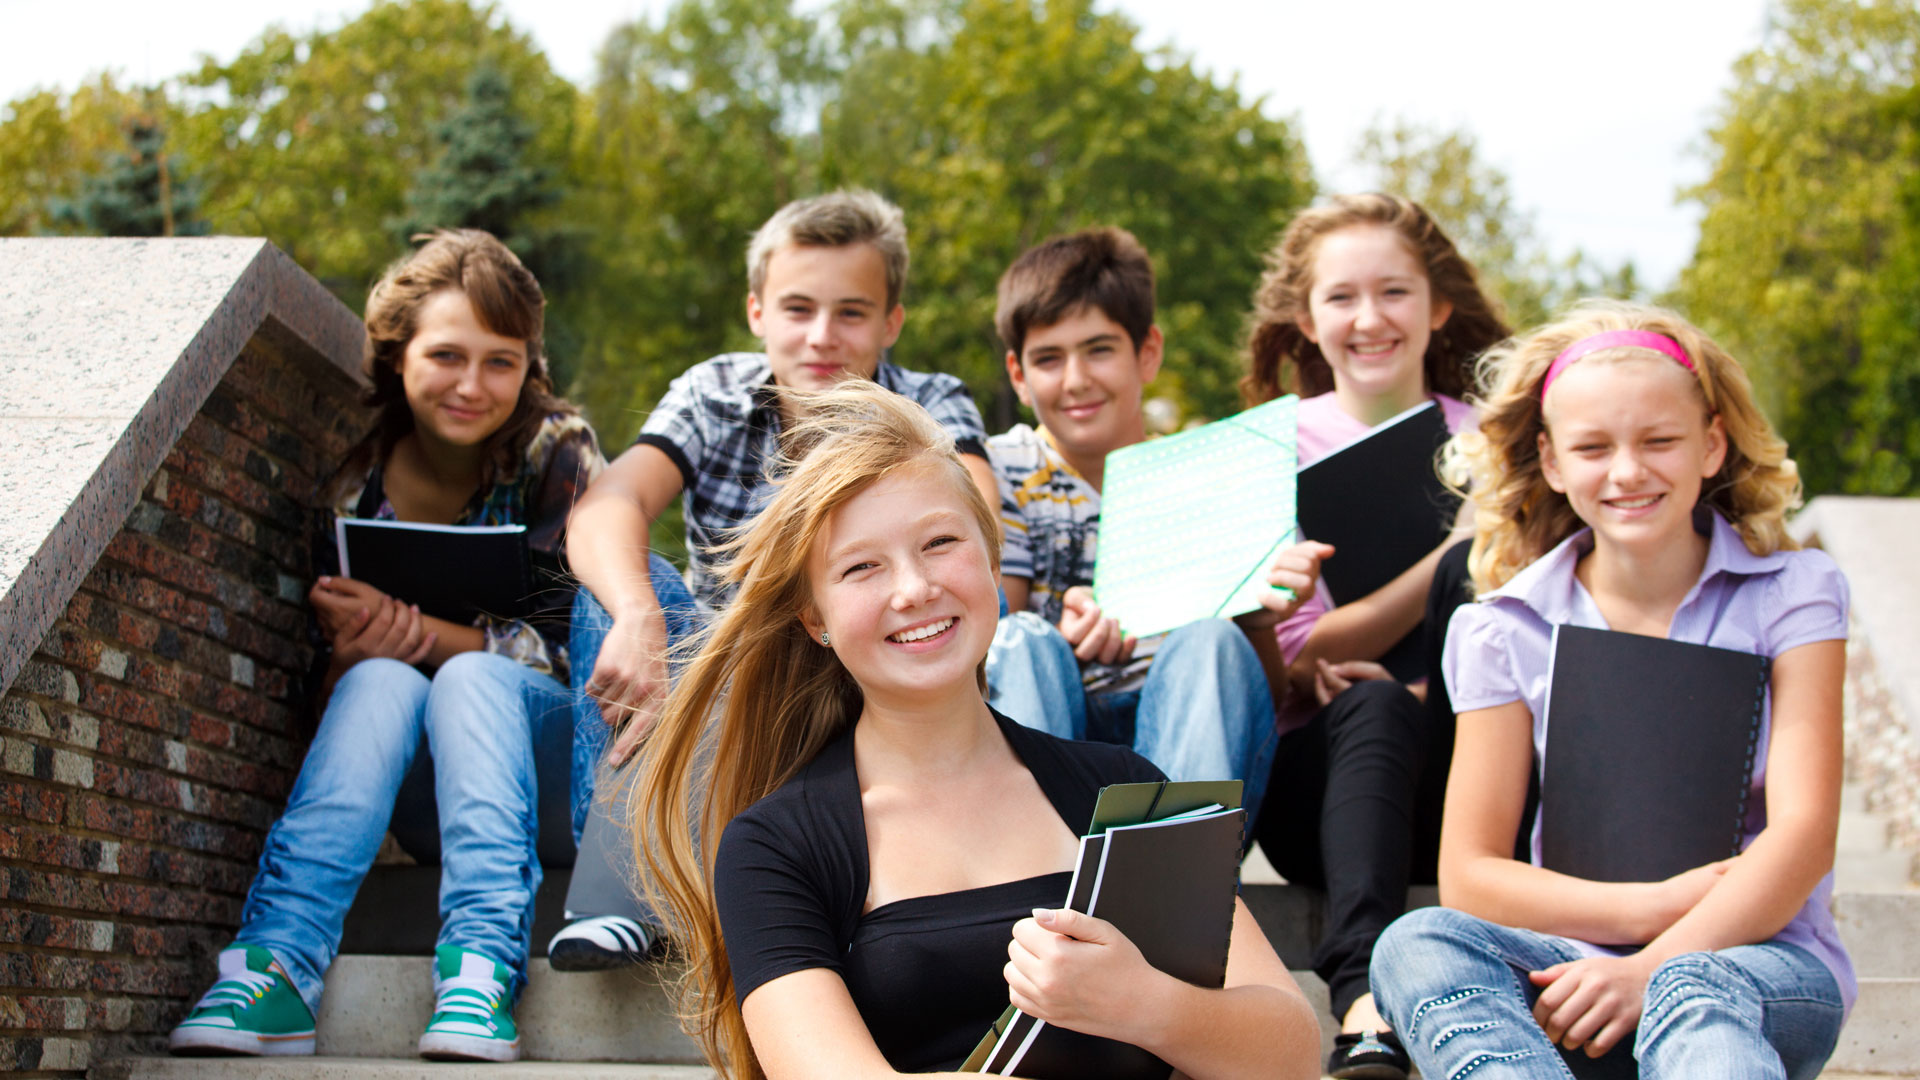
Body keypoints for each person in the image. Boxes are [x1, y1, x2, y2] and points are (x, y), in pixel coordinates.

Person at [631, 382, 1324, 1079]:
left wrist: (1144, 1005)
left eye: (939, 543)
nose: (914, 588)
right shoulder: (774, 846)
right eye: (862, 567)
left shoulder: (1126, 787)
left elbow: (1293, 1053)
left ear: (992, 565)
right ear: (816, 621)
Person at [1371, 302, 1852, 1079]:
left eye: (1659, 440)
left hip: (1762, 967)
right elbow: (1469, 872)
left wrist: (1653, 968)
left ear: (1711, 445)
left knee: (1694, 981)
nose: (1628, 471)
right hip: (1575, 975)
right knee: (1415, 943)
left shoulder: (1794, 593)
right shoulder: (1503, 627)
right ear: (1554, 463)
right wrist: (1645, 920)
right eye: (1593, 448)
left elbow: (1803, 836)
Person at [167, 230, 600, 1063]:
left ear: (529, 367)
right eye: (447, 355)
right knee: (378, 687)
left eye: (501, 361)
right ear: (399, 354)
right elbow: (325, 722)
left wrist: (430, 638)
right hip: (423, 794)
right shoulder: (353, 488)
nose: (474, 385)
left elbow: (592, 652)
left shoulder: (558, 451)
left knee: (469, 674)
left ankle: (481, 968)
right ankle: (278, 971)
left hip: (547, 768)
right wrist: (354, 654)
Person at [551, 189, 995, 969]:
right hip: (700, 682)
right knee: (631, 580)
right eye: (797, 308)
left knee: (773, 637)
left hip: (844, 668)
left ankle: (649, 892)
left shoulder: (930, 403)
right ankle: (630, 880)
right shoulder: (715, 392)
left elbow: (974, 540)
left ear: (891, 322)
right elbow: (605, 507)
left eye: (851, 313)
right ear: (757, 311)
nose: (821, 336)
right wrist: (635, 613)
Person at [1239, 192, 1511, 1079]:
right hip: (1322, 786)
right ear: (1307, 320)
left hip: (1472, 769)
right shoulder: (1261, 449)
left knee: (1399, 696)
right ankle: (1362, 1003)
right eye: (1341, 297)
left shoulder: (1505, 447)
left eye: (1393, 293)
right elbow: (1297, 656)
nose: (1369, 319)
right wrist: (1451, 553)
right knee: (1373, 705)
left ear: (1436, 308)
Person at [983, 226, 1324, 824]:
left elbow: (1267, 697)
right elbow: (987, 654)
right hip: (1053, 738)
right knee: (1023, 639)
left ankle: (1166, 876)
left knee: (1210, 639)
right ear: (1017, 373)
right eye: (1048, 358)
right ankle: (1029, 867)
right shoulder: (998, 470)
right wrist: (1066, 641)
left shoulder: (1217, 474)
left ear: (1148, 352)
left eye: (1099, 349)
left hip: (1190, 751)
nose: (1076, 379)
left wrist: (1255, 617)